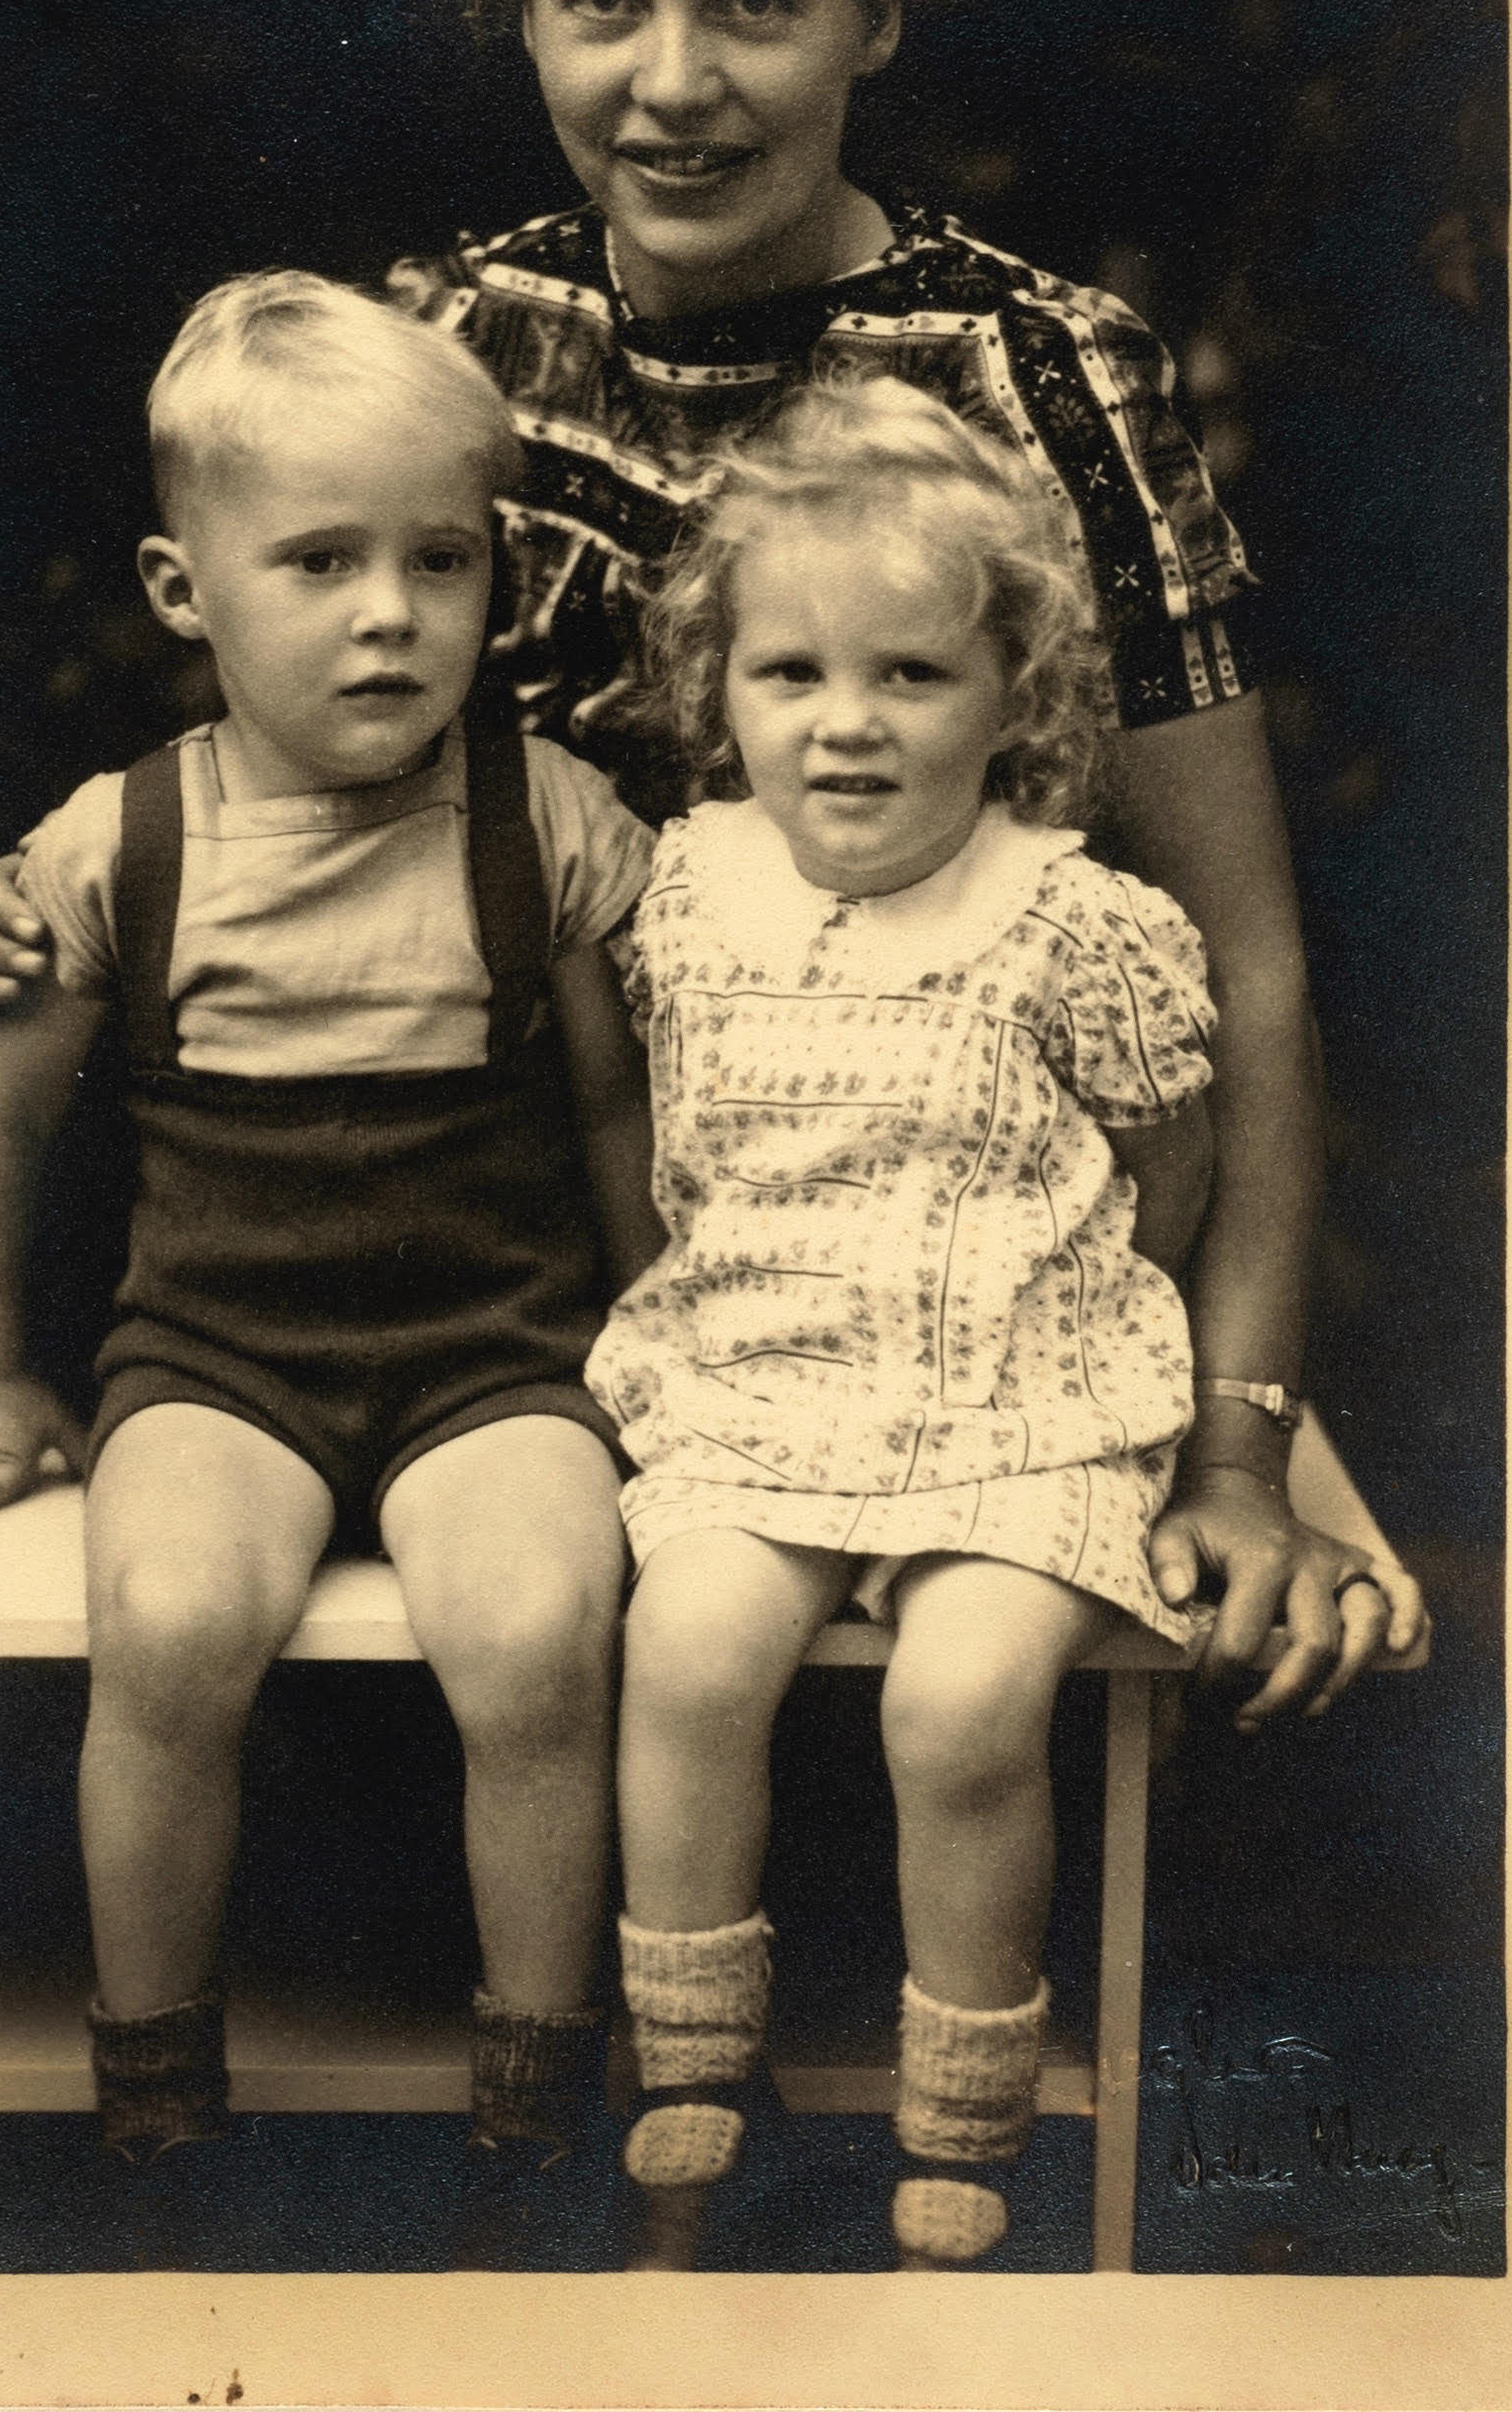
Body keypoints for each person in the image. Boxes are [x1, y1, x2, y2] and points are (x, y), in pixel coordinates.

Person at [0, 0, 1422, 1699]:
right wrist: (68, 898)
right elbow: (300, 772)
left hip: (955, 1335)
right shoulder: (470, 336)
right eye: (599, 4)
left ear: (871, 18)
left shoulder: (1041, 375)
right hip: (523, 1333)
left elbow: (1240, 962)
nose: (669, 83)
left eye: (749, 6)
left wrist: (1239, 1449)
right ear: (524, 13)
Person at [0, 275, 662, 2236]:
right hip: (218, 1352)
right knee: (162, 1625)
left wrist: (664, 1337)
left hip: (497, 1346)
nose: (390, 611)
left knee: (537, 1632)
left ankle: (533, 2090)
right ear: (181, 588)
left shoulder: (545, 823)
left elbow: (615, 1115)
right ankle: (152, 2084)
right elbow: (2, 1126)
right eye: (319, 560)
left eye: (441, 559)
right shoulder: (111, 849)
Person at [589, 376, 1222, 2268]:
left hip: (1016, 1395)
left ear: (1010, 697)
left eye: (909, 678)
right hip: (759, 1377)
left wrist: (1116, 1337)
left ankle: (968, 2112)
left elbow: (1165, 1150)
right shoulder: (686, 882)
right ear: (722, 691)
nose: (843, 724)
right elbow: (648, 1122)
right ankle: (690, 2058)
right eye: (789, 672)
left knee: (960, 1702)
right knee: (691, 1646)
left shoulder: (1066, 918)